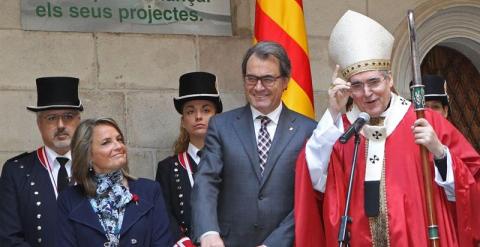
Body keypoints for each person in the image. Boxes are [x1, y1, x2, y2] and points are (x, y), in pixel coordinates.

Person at [295, 10, 480, 246]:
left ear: (389, 80)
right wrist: (332, 111)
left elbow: (472, 181)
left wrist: (441, 154)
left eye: (374, 82)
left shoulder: (423, 120)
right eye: (357, 86)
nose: (367, 93)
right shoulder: (340, 130)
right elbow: (311, 179)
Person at [190, 41, 317, 247]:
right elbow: (206, 181)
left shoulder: (308, 130)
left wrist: (274, 243)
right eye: (251, 79)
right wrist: (208, 232)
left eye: (267, 79)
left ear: (285, 81)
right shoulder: (221, 126)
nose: (258, 87)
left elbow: (308, 199)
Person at [56, 118, 173, 246]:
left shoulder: (150, 191)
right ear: (88, 155)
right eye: (106, 142)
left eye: (119, 139)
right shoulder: (68, 199)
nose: (119, 146)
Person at [0, 77, 83, 246]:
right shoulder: (16, 171)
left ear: (79, 121)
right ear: (39, 124)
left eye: (68, 116)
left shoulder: (95, 166)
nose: (61, 125)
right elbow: (8, 238)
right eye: (51, 118)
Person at [156, 71, 222, 246]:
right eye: (190, 111)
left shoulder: (231, 161)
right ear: (183, 121)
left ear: (217, 117)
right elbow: (164, 213)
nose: (198, 116)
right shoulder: (168, 167)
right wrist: (182, 242)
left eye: (206, 110)